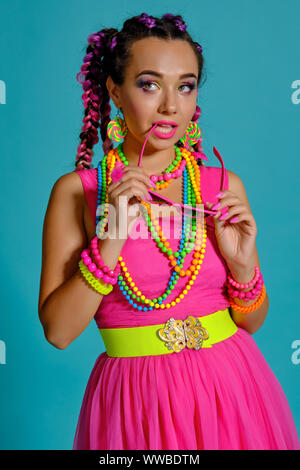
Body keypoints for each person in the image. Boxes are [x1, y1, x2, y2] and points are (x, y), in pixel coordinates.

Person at [38, 12, 300, 450]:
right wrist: (112, 236)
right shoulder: (77, 192)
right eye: (149, 84)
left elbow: (250, 321)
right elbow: (59, 333)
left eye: (185, 85)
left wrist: (243, 264)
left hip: (232, 388)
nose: (170, 106)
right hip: (136, 401)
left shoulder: (222, 185)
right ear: (114, 91)